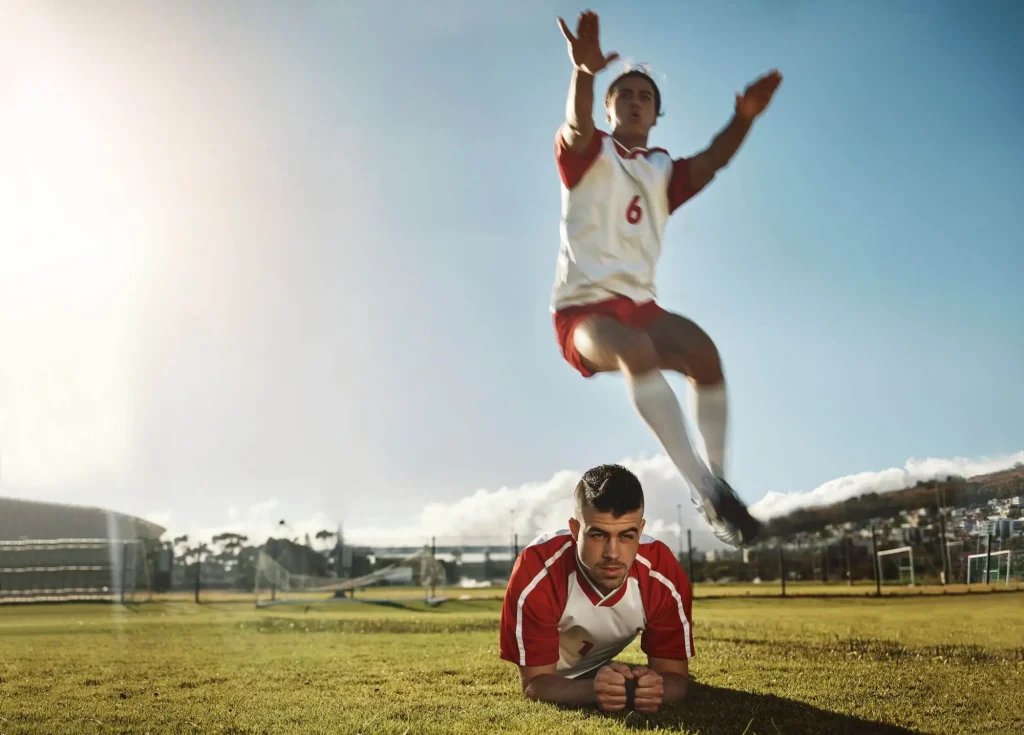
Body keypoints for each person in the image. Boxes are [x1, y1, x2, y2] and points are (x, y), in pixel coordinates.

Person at [550, 10, 782, 546]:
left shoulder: (662, 172)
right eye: (624, 94)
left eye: (644, 96)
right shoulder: (587, 153)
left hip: (641, 306)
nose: (634, 100)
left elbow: (714, 160)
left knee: (704, 354)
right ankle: (702, 484)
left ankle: (719, 491)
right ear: (610, 108)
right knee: (635, 348)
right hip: (582, 312)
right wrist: (584, 73)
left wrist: (744, 117)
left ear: (656, 114)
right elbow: (578, 124)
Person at [499, 464, 692, 713]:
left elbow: (675, 678)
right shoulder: (537, 570)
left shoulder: (661, 573)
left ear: (641, 531)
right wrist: (592, 691)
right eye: (598, 535)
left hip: (597, 664)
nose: (613, 553)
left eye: (626, 536)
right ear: (575, 530)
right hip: (551, 674)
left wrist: (653, 689)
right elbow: (534, 684)